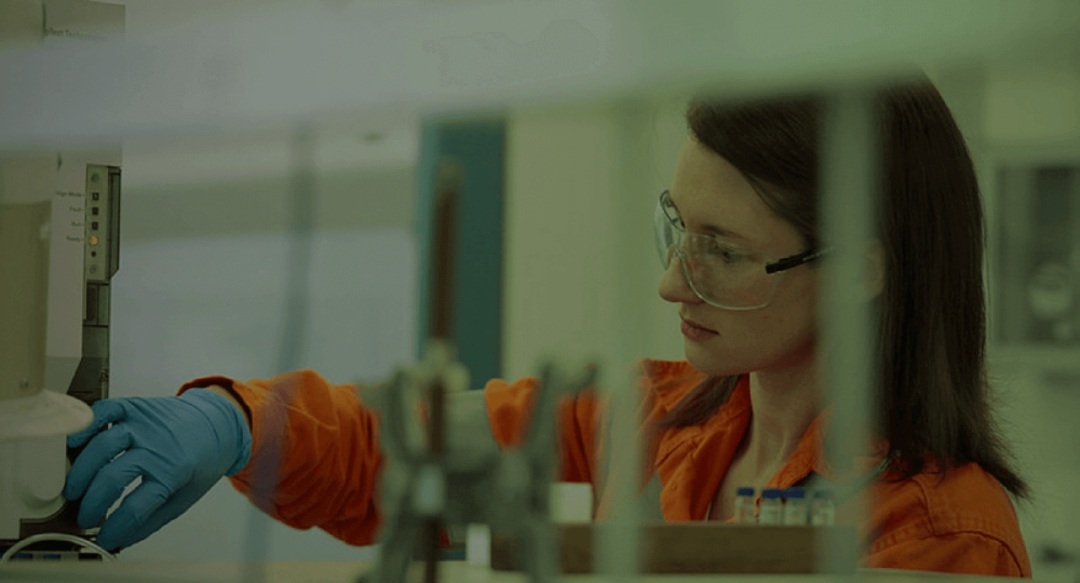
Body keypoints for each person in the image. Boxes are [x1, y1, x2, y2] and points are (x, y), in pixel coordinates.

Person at [62, 78, 1031, 577]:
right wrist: (234, 420)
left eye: (723, 251)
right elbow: (396, 444)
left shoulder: (942, 534)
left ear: (863, 271)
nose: (669, 282)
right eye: (676, 229)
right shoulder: (649, 421)